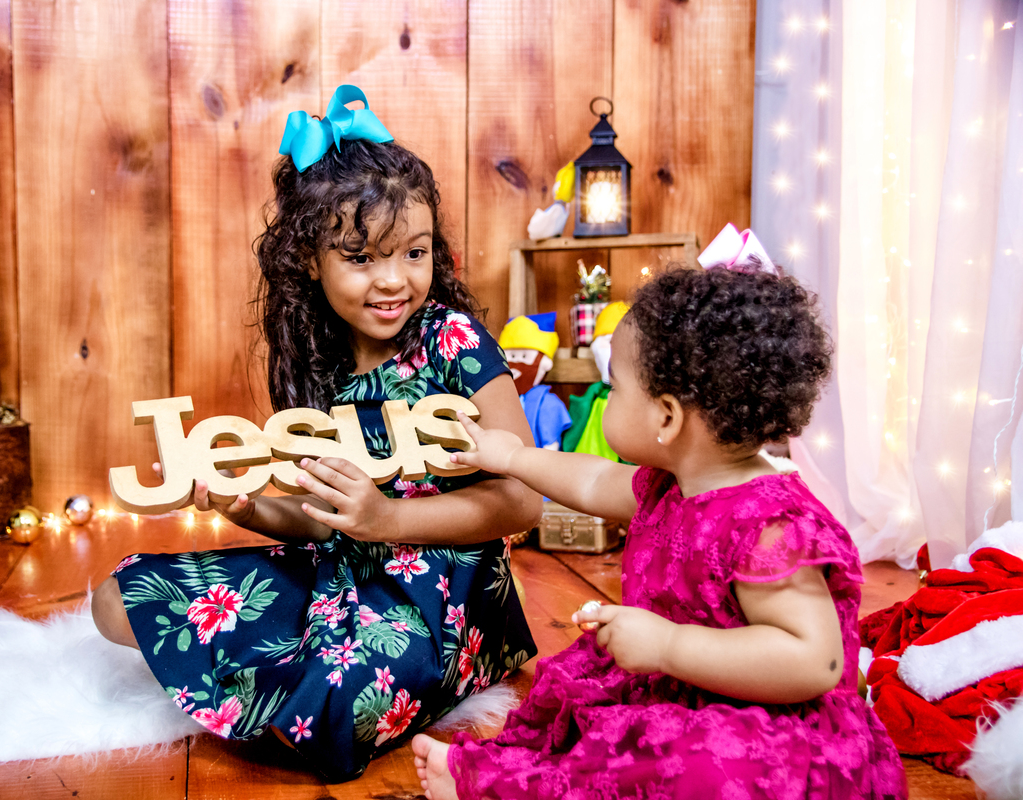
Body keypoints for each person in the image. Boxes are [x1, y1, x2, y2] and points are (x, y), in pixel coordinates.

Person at [90, 86, 540, 783]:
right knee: (120, 602)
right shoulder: (315, 364)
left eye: (414, 253)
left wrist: (389, 517)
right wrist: (248, 506)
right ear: (310, 260)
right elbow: (323, 519)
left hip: (446, 596)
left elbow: (524, 502)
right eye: (362, 259)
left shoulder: (452, 340)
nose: (394, 281)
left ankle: (321, 686)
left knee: (332, 708)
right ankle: (297, 674)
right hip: (342, 571)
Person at [412, 241, 908, 799]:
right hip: (682, 686)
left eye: (617, 387)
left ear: (667, 417)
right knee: (590, 712)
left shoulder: (770, 525)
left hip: (769, 726)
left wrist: (669, 646)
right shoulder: (671, 485)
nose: (609, 394)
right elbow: (595, 480)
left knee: (690, 761)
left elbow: (813, 661)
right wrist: (511, 458)